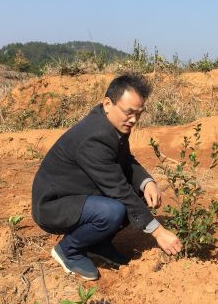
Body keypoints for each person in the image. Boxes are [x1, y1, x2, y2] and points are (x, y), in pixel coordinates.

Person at [32, 73, 182, 280]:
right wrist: (158, 232)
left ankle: (98, 243)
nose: (134, 120)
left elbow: (125, 159)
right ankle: (69, 250)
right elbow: (118, 189)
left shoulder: (114, 124)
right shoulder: (95, 137)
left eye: (139, 114)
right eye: (129, 112)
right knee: (113, 210)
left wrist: (147, 182)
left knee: (138, 195)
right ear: (107, 103)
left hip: (78, 193)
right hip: (54, 206)